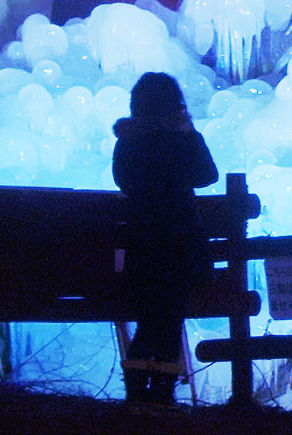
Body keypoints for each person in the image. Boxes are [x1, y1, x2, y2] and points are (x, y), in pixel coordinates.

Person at [113, 71, 219, 405]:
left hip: (142, 246)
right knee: (169, 319)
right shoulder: (179, 140)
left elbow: (123, 181)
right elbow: (207, 175)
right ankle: (161, 392)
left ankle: (137, 390)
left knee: (150, 319)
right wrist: (187, 131)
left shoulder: (128, 141)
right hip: (181, 246)